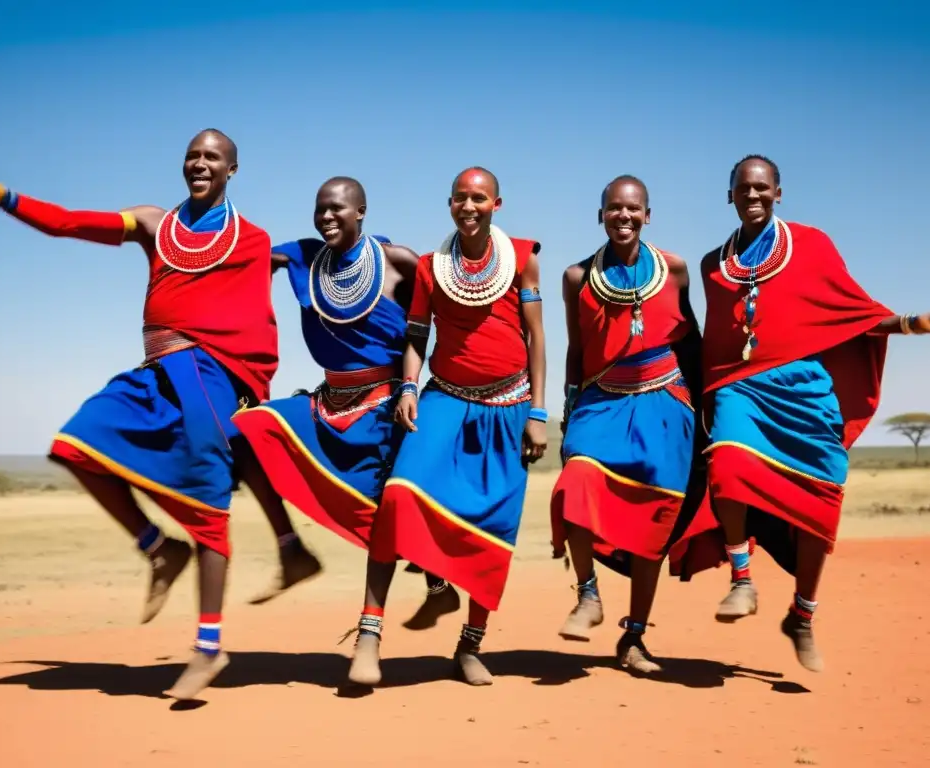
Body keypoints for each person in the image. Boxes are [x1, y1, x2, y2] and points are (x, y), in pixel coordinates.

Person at [0, 129, 278, 700]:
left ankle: (208, 648)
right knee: (76, 443)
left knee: (206, 498)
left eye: (212, 157)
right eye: (192, 155)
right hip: (155, 372)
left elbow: (260, 315)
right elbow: (70, 222)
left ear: (232, 170)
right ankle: (157, 547)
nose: (200, 163)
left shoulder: (252, 239)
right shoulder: (152, 223)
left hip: (209, 377)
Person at [670, 155, 930, 672]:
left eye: (761, 188)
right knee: (727, 466)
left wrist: (912, 322)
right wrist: (705, 395)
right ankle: (742, 579)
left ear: (778, 193)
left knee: (820, 511)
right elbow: (717, 341)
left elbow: (851, 311)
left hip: (805, 391)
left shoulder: (812, 245)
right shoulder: (715, 265)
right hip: (742, 389)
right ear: (728, 195)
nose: (752, 196)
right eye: (742, 189)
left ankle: (801, 616)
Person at [344, 167, 547, 687]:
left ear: (496, 204)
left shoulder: (523, 259)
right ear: (450, 204)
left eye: (479, 198)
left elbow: (536, 339)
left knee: (491, 528)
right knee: (398, 497)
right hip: (446, 399)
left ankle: (469, 647)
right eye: (461, 198)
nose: (470, 206)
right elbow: (416, 336)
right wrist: (409, 387)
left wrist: (539, 413)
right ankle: (370, 634)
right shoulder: (433, 269)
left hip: (509, 405)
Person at [230, 176, 461, 627]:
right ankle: (291, 550)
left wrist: (429, 388)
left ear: (361, 211)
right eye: (320, 210)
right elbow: (244, 260)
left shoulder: (398, 262)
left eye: (337, 208)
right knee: (246, 429)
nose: (327, 217)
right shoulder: (304, 256)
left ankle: (426, 595)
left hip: (386, 404)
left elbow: (437, 315)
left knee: (388, 510)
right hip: (327, 401)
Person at [549, 175, 712, 674]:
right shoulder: (577, 276)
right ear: (601, 215)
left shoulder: (676, 269)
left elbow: (692, 340)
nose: (623, 216)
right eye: (614, 209)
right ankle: (588, 596)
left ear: (647, 214)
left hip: (665, 402)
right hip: (602, 399)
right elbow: (577, 349)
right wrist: (570, 405)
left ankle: (635, 639)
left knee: (654, 522)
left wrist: (708, 412)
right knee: (574, 482)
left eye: (633, 208)